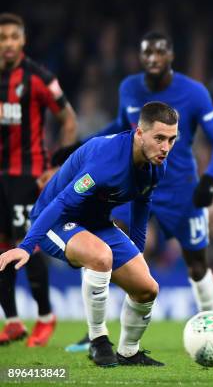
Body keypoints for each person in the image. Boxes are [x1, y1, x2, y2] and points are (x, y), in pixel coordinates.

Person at [58, 31, 213, 352]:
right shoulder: (129, 88)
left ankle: (212, 328)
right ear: (140, 57)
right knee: (102, 247)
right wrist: (81, 148)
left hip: (181, 191)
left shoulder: (194, 93)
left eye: (159, 53)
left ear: (171, 56)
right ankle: (95, 334)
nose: (153, 59)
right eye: (147, 53)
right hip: (133, 184)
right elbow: (122, 128)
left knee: (196, 263)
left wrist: (211, 179)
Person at [0, 101, 178, 367]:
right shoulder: (107, 160)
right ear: (139, 133)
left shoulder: (157, 164)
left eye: (172, 140)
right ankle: (98, 341)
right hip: (57, 220)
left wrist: (136, 251)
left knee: (147, 289)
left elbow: (142, 203)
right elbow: (60, 203)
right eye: (159, 138)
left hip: (97, 224)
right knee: (100, 256)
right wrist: (26, 246)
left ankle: (129, 352)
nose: (165, 147)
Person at [0, 12, 78, 347]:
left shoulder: (38, 78)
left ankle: (45, 317)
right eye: (2, 38)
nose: (7, 44)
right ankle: (13, 322)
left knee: (25, 247)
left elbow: (69, 118)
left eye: (13, 37)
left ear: (23, 41)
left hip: (27, 175)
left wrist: (56, 166)